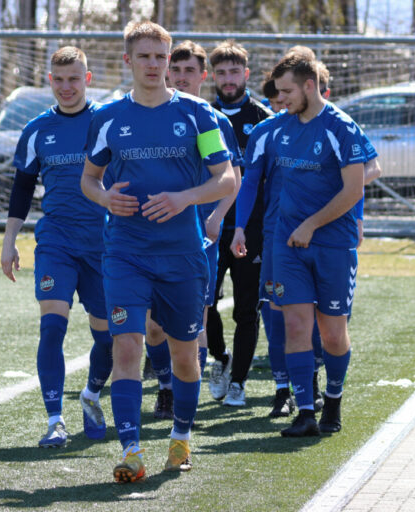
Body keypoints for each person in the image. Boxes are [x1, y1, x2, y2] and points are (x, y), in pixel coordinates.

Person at [80, 21, 236, 482]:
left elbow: (226, 178)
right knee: (127, 346)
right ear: (128, 60)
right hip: (125, 251)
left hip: (183, 255)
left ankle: (181, 437)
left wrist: (184, 198)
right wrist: (105, 198)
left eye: (160, 56)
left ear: (169, 61)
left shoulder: (198, 114)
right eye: (144, 56)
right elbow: (88, 178)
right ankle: (131, 452)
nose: (153, 64)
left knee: (185, 356)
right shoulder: (108, 118)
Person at [1, 46, 113, 448]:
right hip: (56, 243)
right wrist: (9, 242)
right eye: (59, 80)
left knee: (109, 339)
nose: (67, 87)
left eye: (74, 79)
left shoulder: (107, 123)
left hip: (104, 245)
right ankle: (54, 421)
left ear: (87, 79)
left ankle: (91, 395)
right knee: (52, 328)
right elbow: (21, 190)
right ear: (50, 81)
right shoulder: (37, 130)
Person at [266, 49, 369, 437]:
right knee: (295, 325)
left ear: (309, 86)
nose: (281, 100)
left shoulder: (341, 128)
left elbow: (353, 189)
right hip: (288, 243)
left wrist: (311, 224)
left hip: (333, 245)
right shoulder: (280, 127)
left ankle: (333, 402)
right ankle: (305, 412)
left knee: (332, 333)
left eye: (287, 91)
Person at [143, 40, 242, 420]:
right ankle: (165, 384)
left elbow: (233, 178)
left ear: (204, 76)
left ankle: (186, 397)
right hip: (151, 235)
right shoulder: (150, 115)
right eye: (177, 70)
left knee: (195, 319)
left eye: (190, 71)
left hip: (198, 237)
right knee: (153, 326)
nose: (182, 77)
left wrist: (217, 217)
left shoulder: (211, 120)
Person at [206, 40, 273, 407]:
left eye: (234, 72)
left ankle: (239, 382)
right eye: (221, 73)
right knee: (206, 303)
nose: (228, 79)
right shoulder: (204, 116)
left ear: (246, 74)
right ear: (212, 76)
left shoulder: (263, 118)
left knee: (247, 309)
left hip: (251, 229)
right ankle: (221, 358)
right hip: (210, 227)